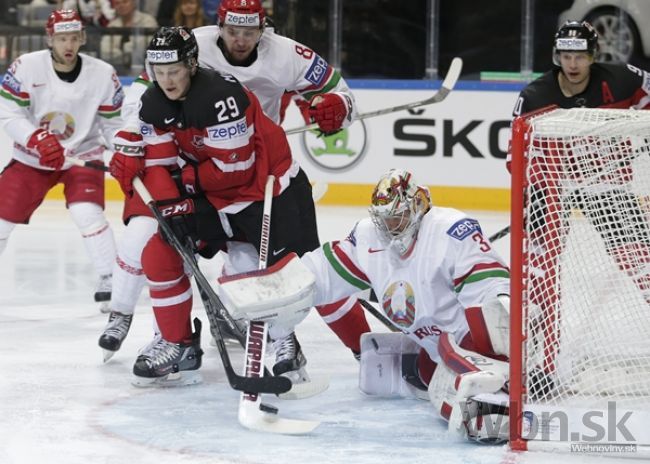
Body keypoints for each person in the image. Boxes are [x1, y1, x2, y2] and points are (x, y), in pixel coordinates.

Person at [99, 0, 371, 383]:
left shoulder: (228, 93)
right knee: (159, 251)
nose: (167, 79)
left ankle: (335, 343)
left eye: (174, 71)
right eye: (160, 72)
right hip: (208, 177)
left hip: (262, 184)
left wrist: (337, 106)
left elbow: (233, 171)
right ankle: (178, 342)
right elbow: (155, 142)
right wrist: (134, 145)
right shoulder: (172, 69)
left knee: (294, 271)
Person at [218, 168, 512, 443]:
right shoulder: (370, 235)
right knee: (421, 377)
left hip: (466, 343)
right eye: (383, 220)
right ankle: (418, 364)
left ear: (417, 206)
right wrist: (274, 287)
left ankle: (503, 388)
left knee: (470, 411)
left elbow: (488, 283)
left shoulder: (449, 230)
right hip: (432, 346)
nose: (390, 228)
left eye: (396, 218)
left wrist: (492, 341)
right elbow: (323, 272)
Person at [510, 21, 650, 322]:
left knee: (640, 259)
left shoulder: (623, 79)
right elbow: (515, 158)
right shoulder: (535, 95)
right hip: (554, 190)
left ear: (593, 55)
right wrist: (538, 186)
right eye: (566, 56)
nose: (572, 64)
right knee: (538, 264)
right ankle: (535, 326)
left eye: (580, 57)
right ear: (556, 56)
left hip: (608, 186)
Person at [0, 9, 123, 311]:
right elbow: (8, 111)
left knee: (87, 213)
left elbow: (112, 124)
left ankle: (111, 277)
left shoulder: (103, 73)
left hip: (82, 156)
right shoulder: (26, 66)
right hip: (31, 159)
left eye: (73, 38)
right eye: (61, 38)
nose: (68, 45)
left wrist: (122, 151)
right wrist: (35, 138)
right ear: (49, 39)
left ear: (82, 38)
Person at [99, 0, 157, 67]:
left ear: (133, 3)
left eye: (125, 2)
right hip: (117, 67)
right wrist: (126, 55)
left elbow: (140, 48)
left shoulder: (147, 21)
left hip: (144, 67)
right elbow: (104, 51)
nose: (121, 6)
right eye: (117, 3)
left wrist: (118, 54)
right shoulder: (112, 25)